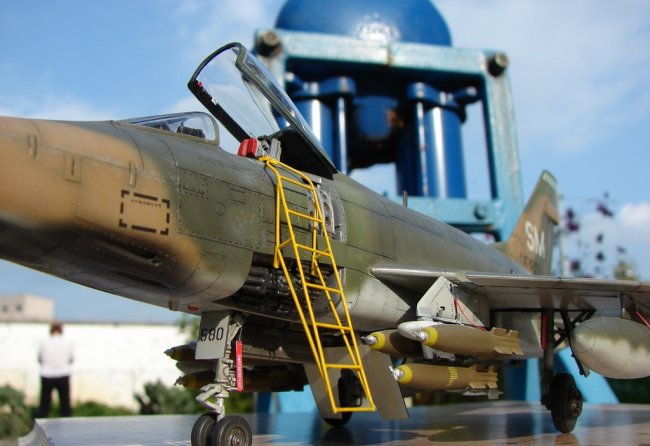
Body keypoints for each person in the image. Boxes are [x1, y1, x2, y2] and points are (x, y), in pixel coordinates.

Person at [37, 322, 74, 417]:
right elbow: (71, 359)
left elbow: (39, 358)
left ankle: (43, 421)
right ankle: (66, 422)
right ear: (61, 330)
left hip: (47, 374)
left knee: (45, 403)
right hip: (63, 374)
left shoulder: (44, 343)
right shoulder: (66, 343)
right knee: (65, 403)